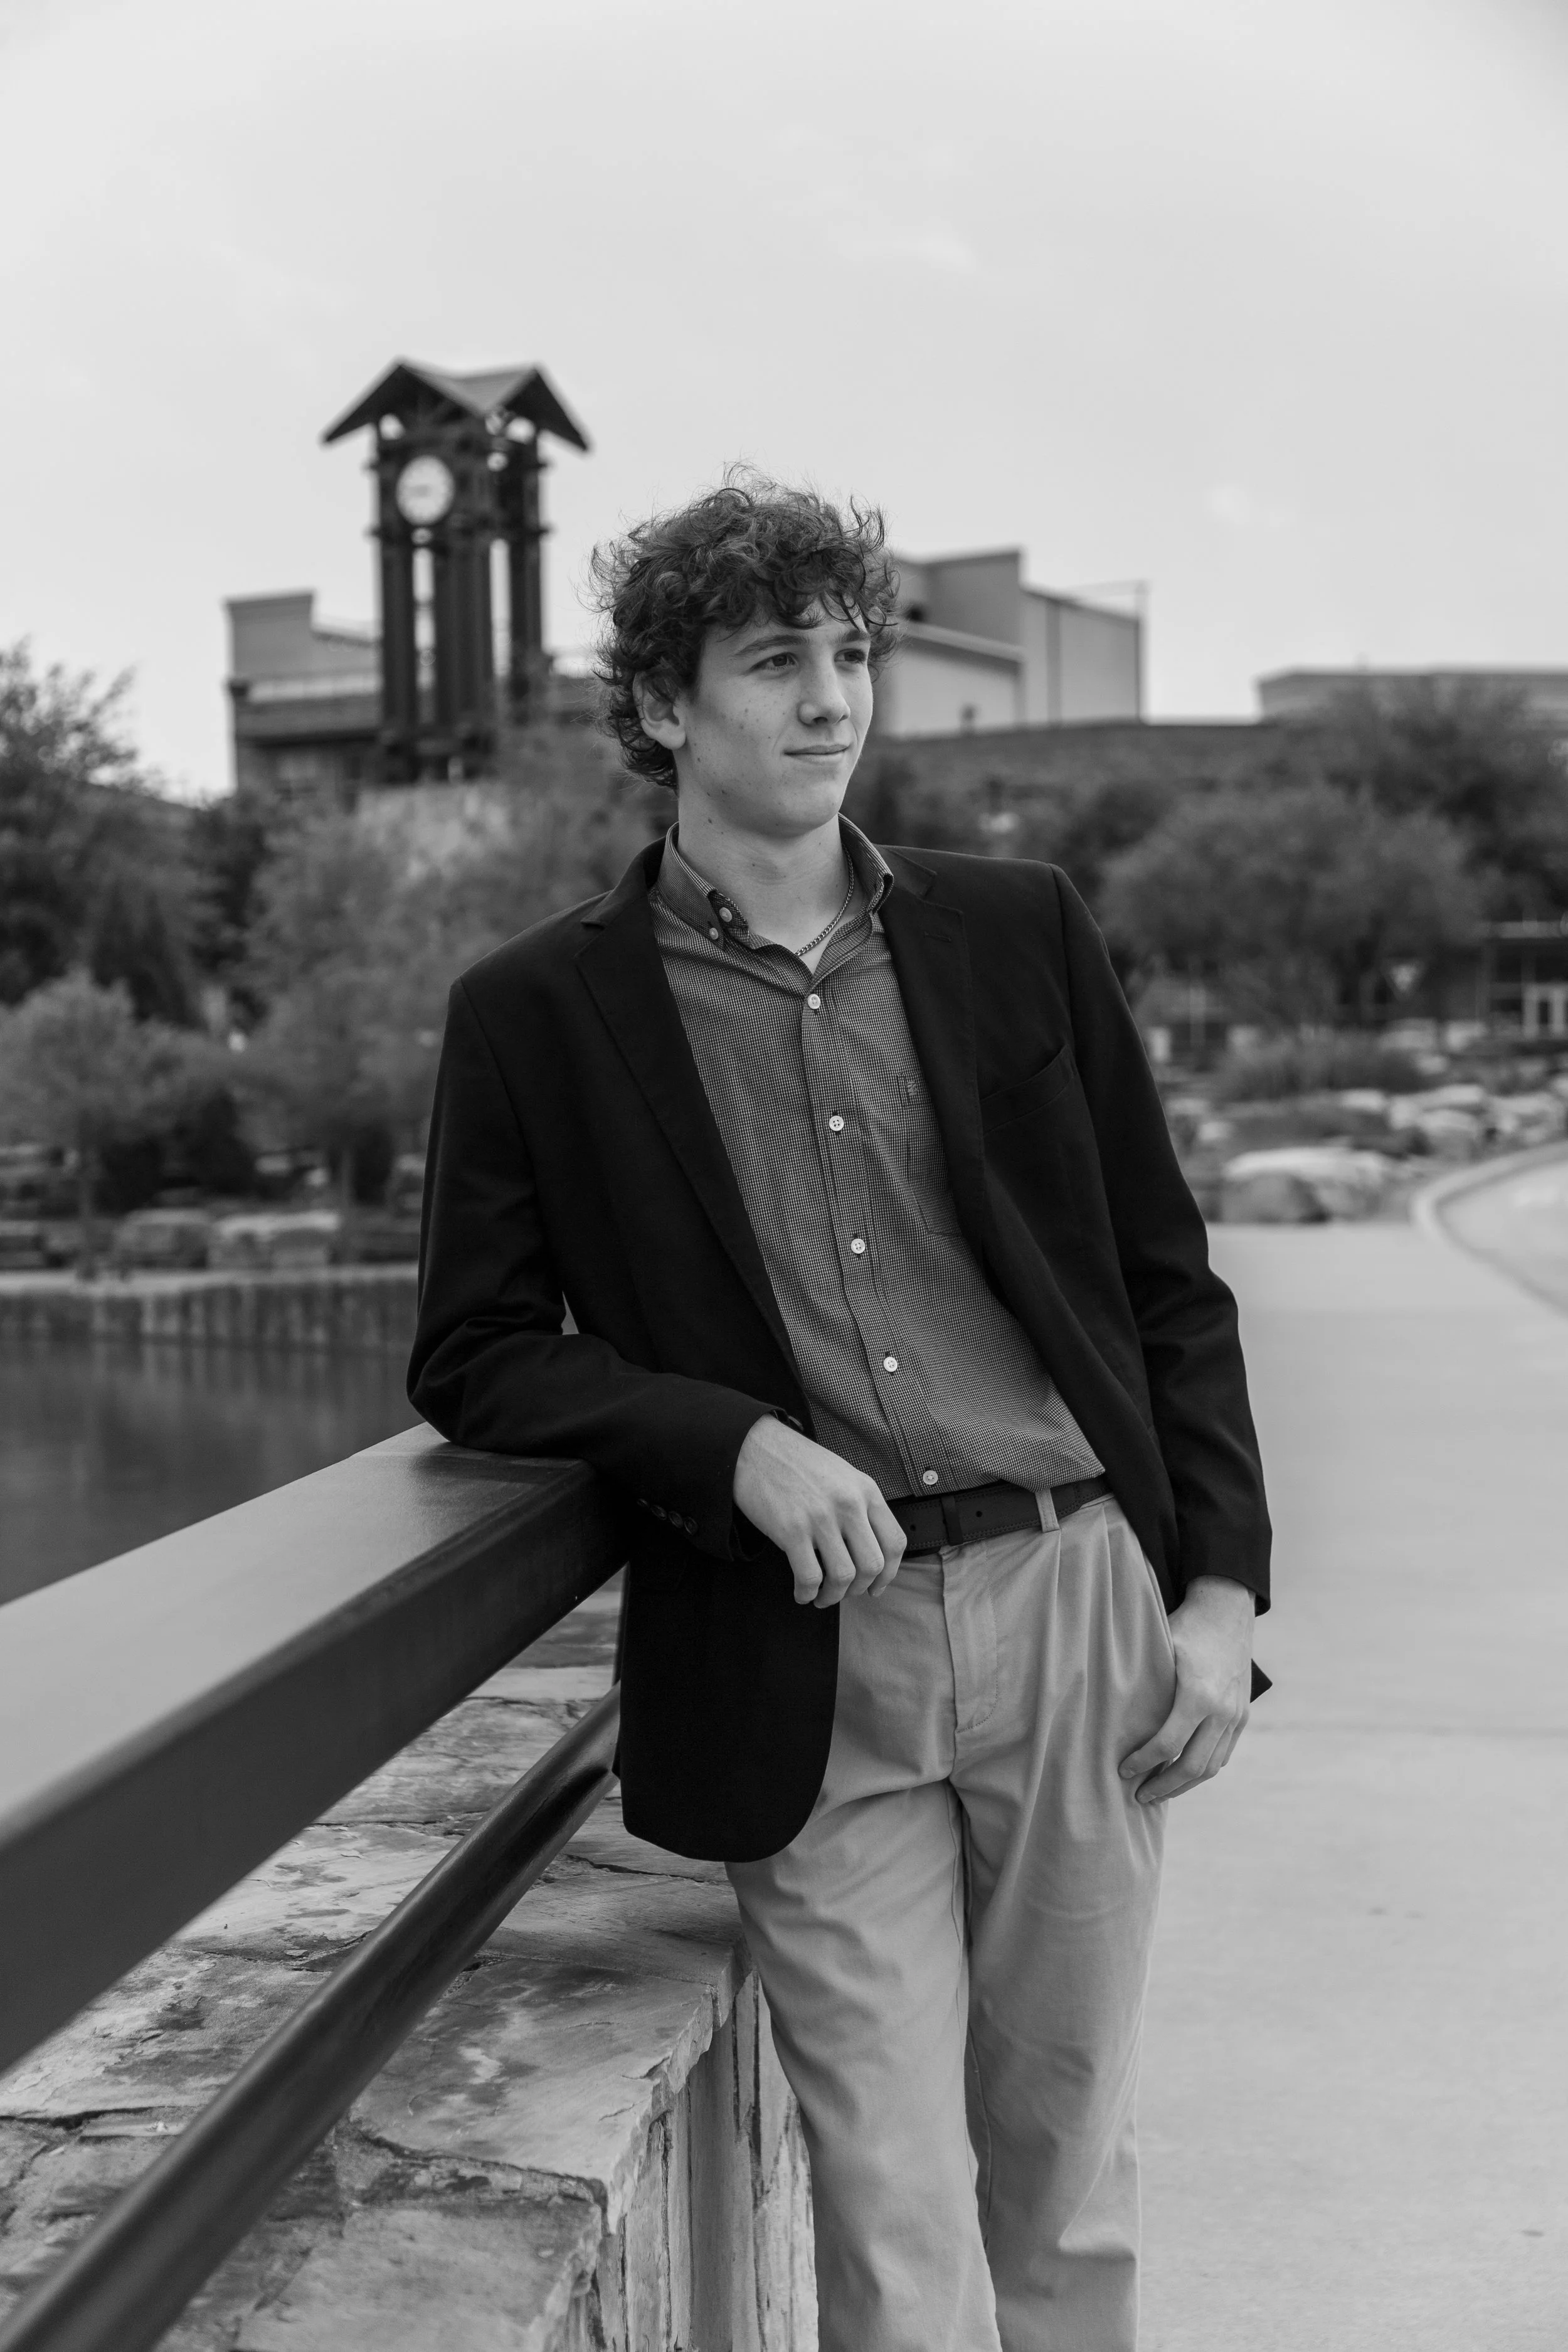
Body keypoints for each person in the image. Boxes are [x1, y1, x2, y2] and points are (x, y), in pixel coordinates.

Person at [408, 475, 1271, 2352]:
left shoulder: (1013, 929)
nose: (832, 697)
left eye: (852, 651)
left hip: (1069, 1605)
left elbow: (1159, 1272)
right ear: (659, 708)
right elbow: (473, 1348)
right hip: (807, 1652)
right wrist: (721, 1438)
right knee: (888, 2213)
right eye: (775, 658)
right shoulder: (538, 1012)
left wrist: (1219, 1595)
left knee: (1062, 2178)